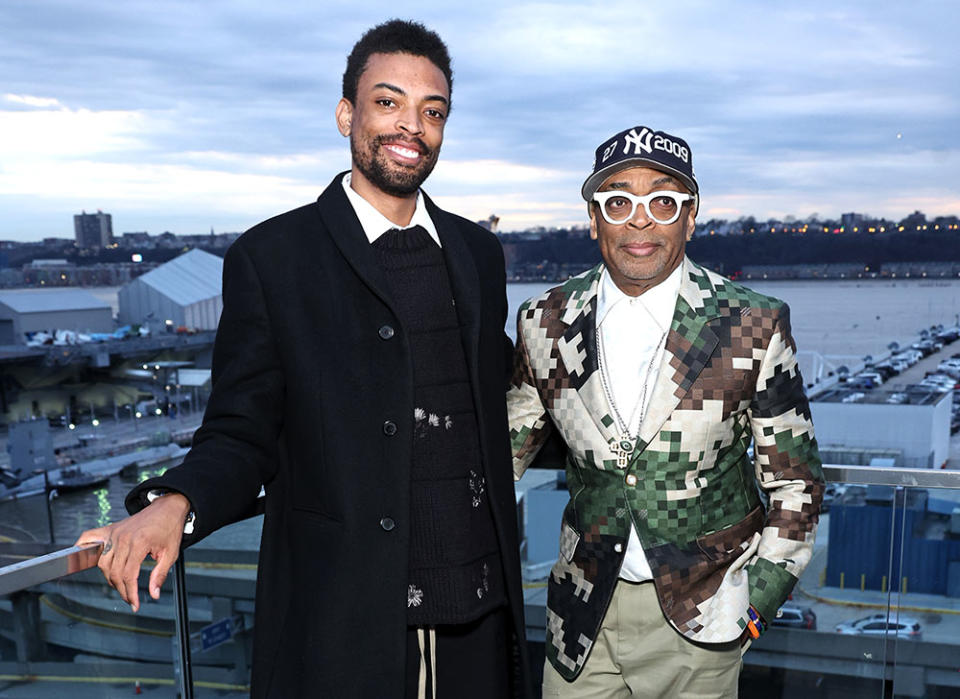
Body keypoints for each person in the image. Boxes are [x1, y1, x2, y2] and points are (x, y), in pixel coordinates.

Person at [77, 20, 531, 699]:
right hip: (349, 627)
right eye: (388, 102)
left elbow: (493, 383)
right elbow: (241, 428)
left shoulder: (476, 254)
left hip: (482, 620)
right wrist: (176, 499)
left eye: (432, 111)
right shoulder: (273, 259)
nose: (412, 125)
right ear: (347, 113)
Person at [508, 125, 824, 698]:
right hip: (581, 618)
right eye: (618, 200)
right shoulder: (542, 321)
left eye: (663, 200)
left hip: (706, 621)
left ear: (691, 215)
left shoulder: (751, 323)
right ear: (593, 217)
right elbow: (500, 454)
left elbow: (795, 480)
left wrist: (756, 605)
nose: (640, 219)